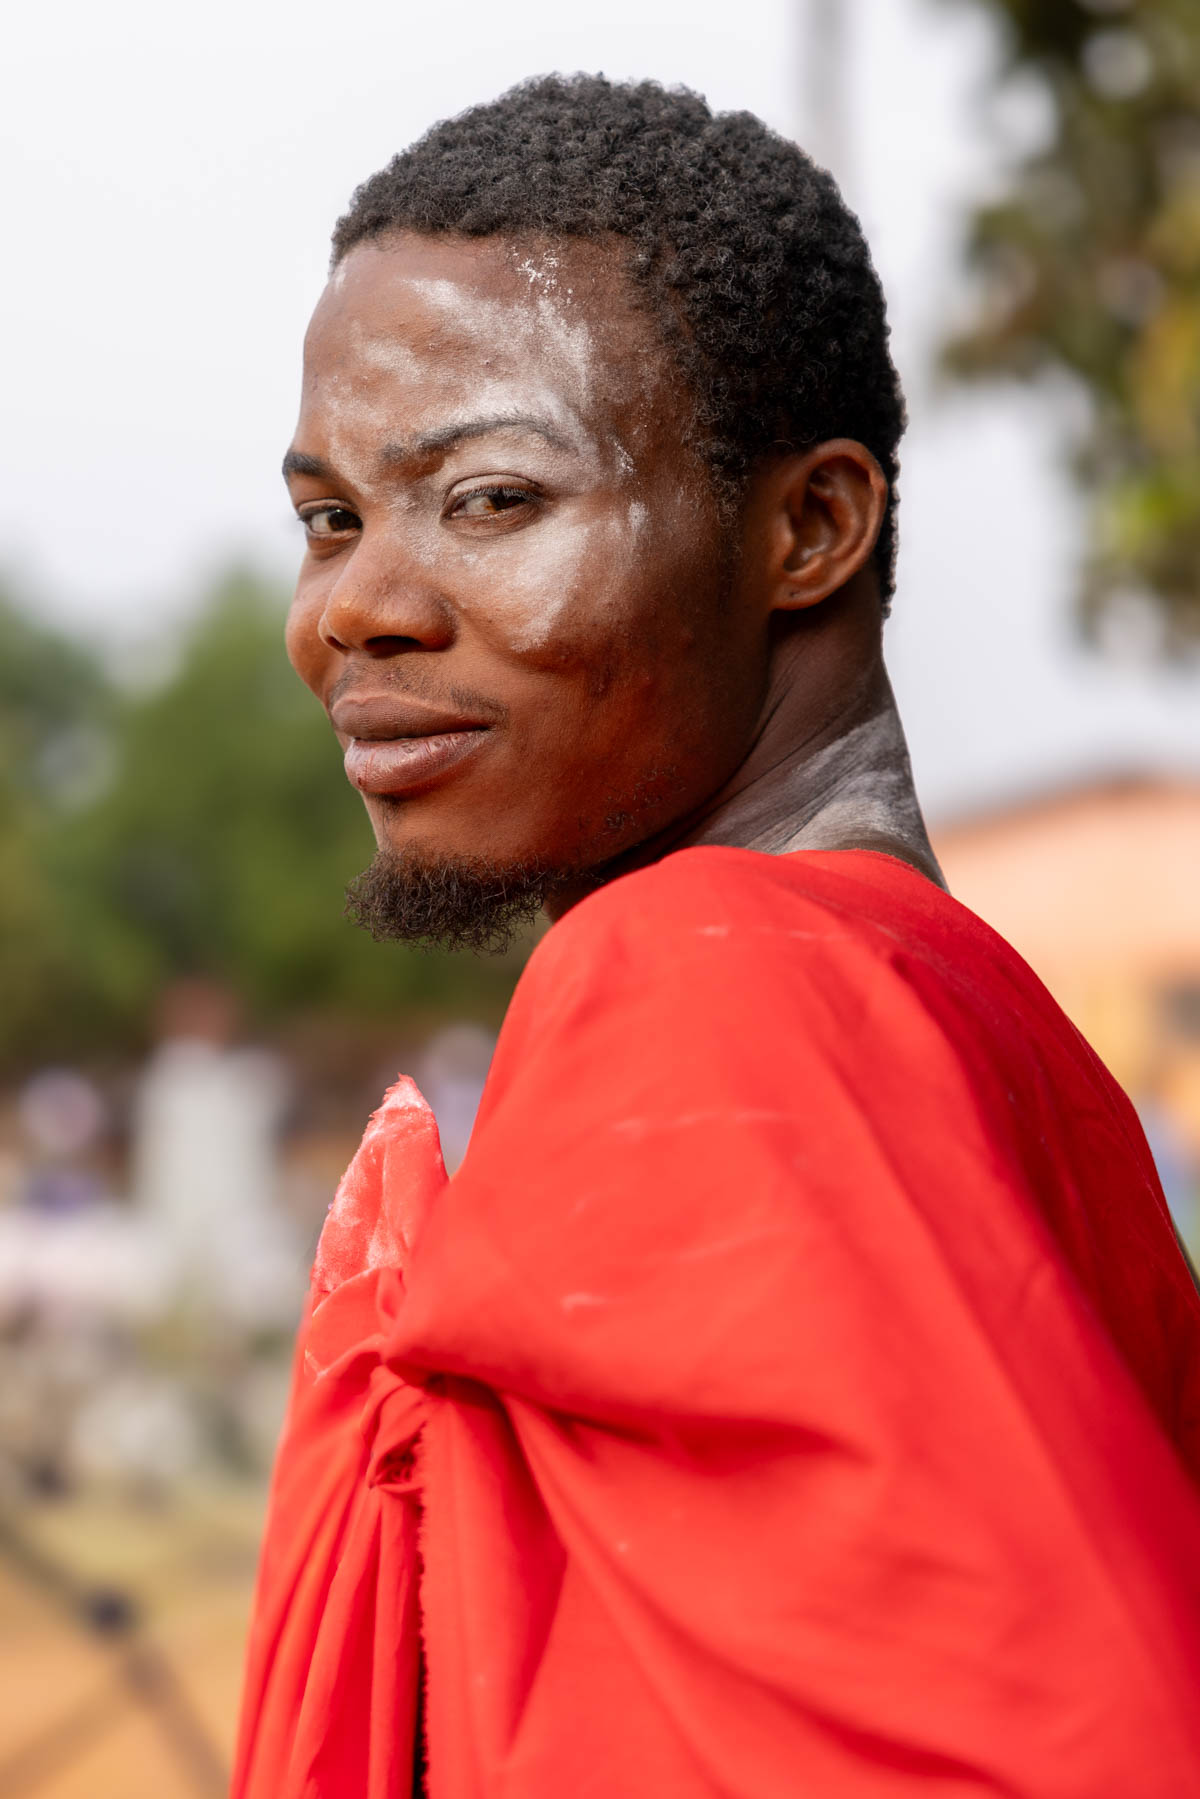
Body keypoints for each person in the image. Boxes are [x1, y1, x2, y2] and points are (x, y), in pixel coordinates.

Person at [233, 76, 1200, 1798]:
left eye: (490, 499)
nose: (354, 612)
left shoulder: (701, 977)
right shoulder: (974, 1009)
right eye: (331, 518)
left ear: (808, 530)